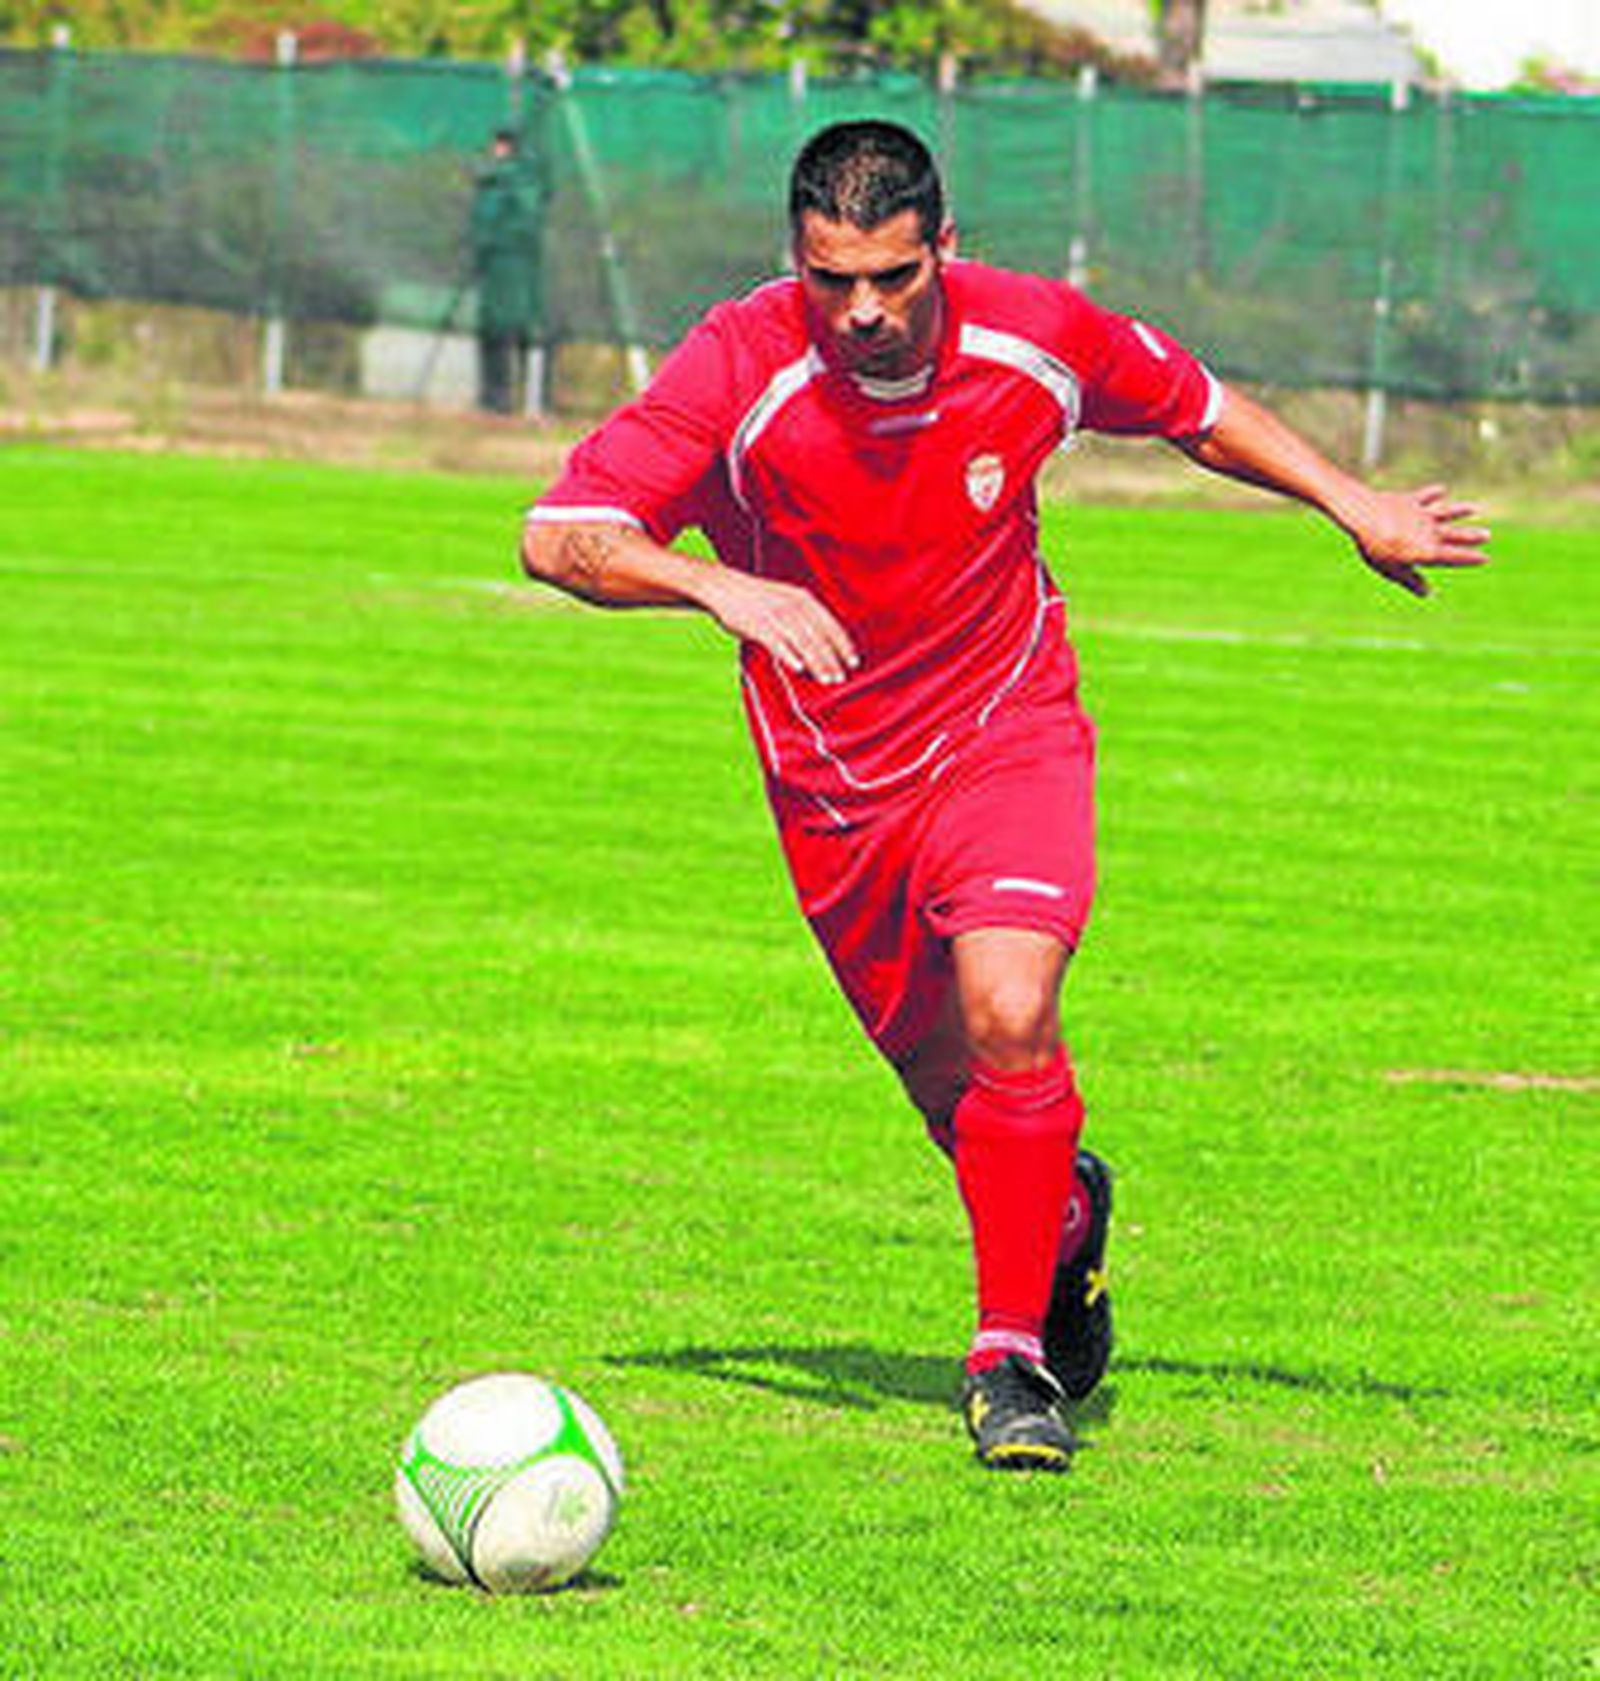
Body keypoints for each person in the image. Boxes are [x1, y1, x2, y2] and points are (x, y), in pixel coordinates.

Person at [519, 120, 1490, 1471]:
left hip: (1006, 728)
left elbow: (1198, 407)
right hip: (837, 790)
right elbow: (556, 532)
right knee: (960, 1105)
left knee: (1013, 1008)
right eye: (831, 281)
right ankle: (1066, 1229)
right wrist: (714, 583)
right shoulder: (739, 360)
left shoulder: (1031, 334)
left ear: (945, 248)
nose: (862, 311)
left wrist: (1353, 501)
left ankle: (1008, 1363)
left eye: (893, 278)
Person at [470, 128, 547, 415]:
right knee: (490, 331)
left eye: (502, 146)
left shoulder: (523, 184)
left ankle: (527, 400)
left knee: (517, 332)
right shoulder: (488, 184)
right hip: (491, 268)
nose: (496, 152)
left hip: (515, 269)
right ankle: (492, 400)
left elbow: (528, 221)